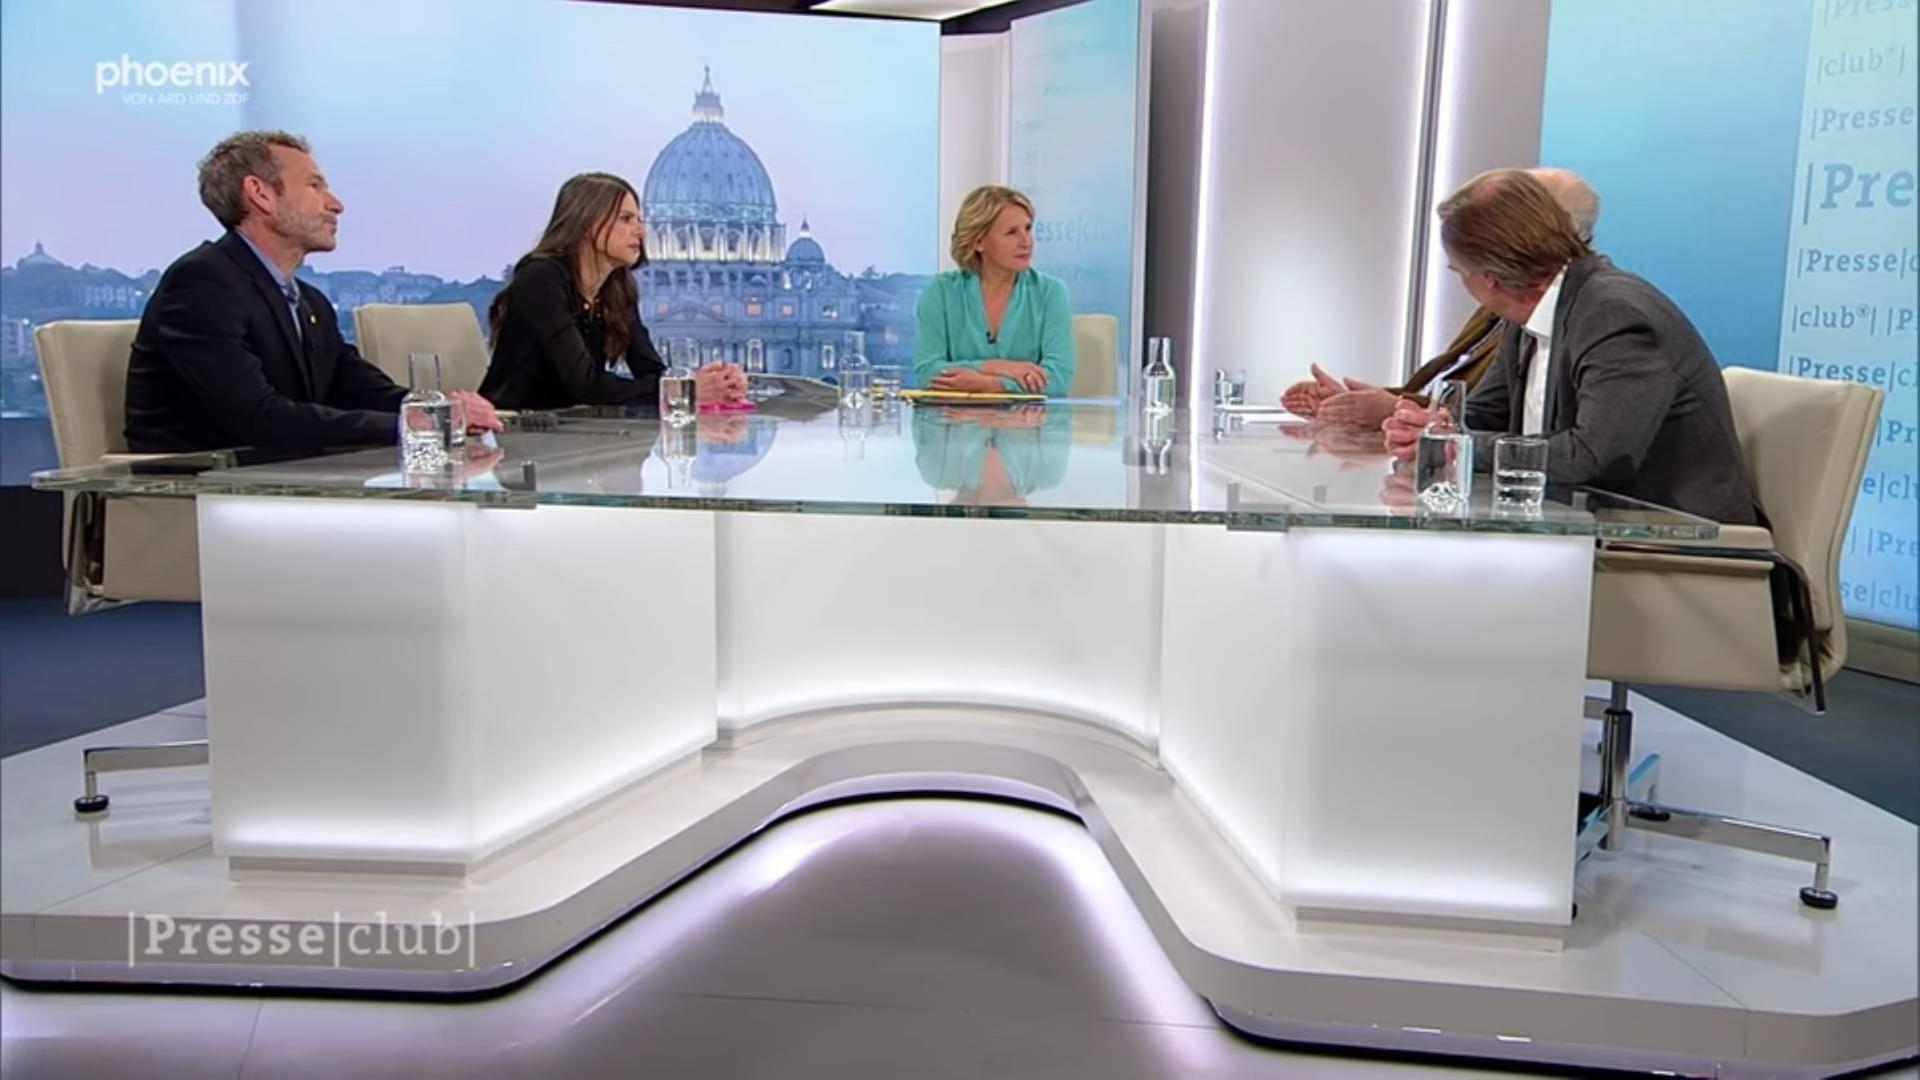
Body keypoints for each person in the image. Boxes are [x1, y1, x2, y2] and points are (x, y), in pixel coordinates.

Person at [1383, 168, 1758, 524]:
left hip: (1673, 540)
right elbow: (1484, 414)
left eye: (1459, 273)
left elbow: (1593, 458)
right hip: (1574, 525)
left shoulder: (1614, 316)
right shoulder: (1528, 313)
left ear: (1490, 278)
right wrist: (1435, 427)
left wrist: (1459, 447)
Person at [124, 131, 499, 452]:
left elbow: (357, 387)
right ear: (260, 194)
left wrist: (440, 410)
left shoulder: (309, 301)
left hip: (281, 484)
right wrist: (415, 425)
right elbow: (259, 418)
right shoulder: (201, 284)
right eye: (315, 186)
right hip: (202, 495)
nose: (336, 204)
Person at [1283, 167, 1601, 429]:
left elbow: (1585, 451)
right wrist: (1359, 406)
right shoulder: (1507, 307)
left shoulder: (1597, 313)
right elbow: (1478, 411)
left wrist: (1395, 410)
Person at [480, 172, 745, 410]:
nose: (641, 231)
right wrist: (683, 390)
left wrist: (712, 382)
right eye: (626, 219)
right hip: (517, 429)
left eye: (638, 219)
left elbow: (650, 370)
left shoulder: (617, 286)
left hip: (577, 426)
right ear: (587, 225)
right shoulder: (540, 277)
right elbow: (584, 385)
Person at [912, 185, 1075, 396]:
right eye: (1011, 233)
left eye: (1027, 229)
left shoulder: (1050, 292)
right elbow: (927, 371)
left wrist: (991, 385)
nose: (1026, 242)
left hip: (1028, 417)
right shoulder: (942, 291)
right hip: (956, 416)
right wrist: (998, 367)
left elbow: (1058, 378)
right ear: (979, 242)